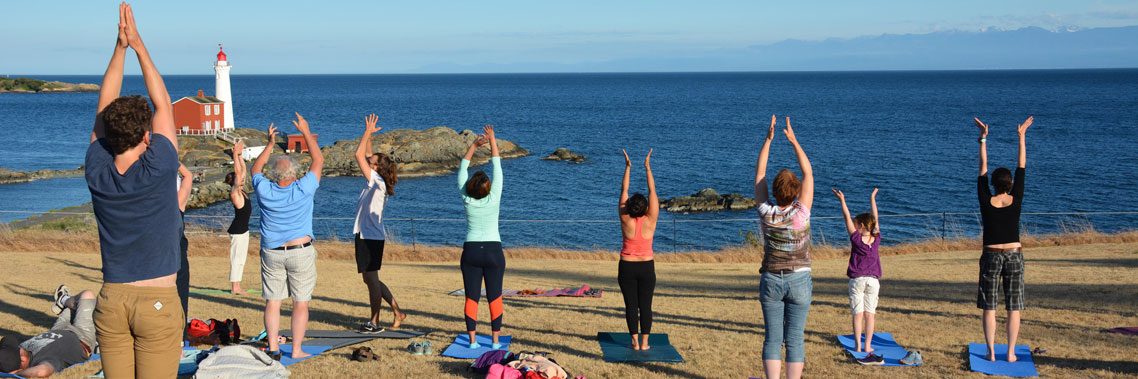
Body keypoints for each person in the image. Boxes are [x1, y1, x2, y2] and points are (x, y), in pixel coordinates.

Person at [85, 4, 185, 378]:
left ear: (108, 136)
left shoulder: (98, 170)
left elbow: (103, 106)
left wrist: (119, 49)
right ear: (147, 136)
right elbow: (163, 104)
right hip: (156, 301)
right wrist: (138, 46)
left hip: (110, 300)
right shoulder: (159, 166)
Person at [251, 114, 323, 360]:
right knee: (300, 303)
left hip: (272, 251)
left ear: (275, 175)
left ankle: (272, 348)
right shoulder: (304, 188)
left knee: (273, 301)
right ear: (295, 173)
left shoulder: (264, 189)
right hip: (300, 250)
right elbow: (318, 159)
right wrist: (305, 130)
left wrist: (270, 145)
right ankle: (296, 349)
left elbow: (255, 169)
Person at [754, 115, 814, 379]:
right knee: (795, 340)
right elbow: (808, 172)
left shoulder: (766, 212)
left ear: (775, 192)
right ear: (797, 191)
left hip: (771, 280)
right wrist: (794, 141)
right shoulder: (802, 212)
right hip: (800, 278)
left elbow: (760, 174)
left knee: (772, 340)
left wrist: (768, 140)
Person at [974, 116, 1032, 362]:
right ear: (1009, 185)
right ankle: (1009, 353)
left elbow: (982, 169)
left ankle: (990, 353)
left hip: (991, 255)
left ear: (994, 185)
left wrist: (983, 138)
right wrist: (1022, 136)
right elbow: (1022, 167)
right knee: (1013, 306)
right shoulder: (1016, 198)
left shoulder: (986, 199)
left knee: (990, 306)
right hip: (1014, 254)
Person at [352, 114, 407, 333]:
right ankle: (398, 312)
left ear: (377, 169)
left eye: (371, 163)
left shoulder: (376, 180)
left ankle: (374, 322)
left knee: (372, 280)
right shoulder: (377, 178)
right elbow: (366, 154)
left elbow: (358, 155)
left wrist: (366, 133)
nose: (367, 163)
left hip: (371, 238)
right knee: (370, 279)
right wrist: (370, 135)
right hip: (366, 235)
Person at [458, 125, 505, 349]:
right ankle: (495, 342)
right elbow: (497, 165)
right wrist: (493, 140)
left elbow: (462, 168)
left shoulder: (466, 198)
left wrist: (474, 146)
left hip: (472, 251)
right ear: (487, 188)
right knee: (495, 296)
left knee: (472, 297)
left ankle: (473, 342)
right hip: (494, 251)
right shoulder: (494, 196)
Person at [0, 286, 97, 378]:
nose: (19, 346)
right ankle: (63, 300)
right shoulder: (44, 361)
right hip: (83, 336)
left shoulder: (19, 352)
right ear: (22, 360)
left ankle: (63, 301)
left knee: (79, 303)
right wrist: (17, 374)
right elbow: (42, 371)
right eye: (17, 349)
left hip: (58, 328)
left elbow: (7, 341)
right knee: (88, 296)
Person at [617, 149, 659, 350]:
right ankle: (644, 343)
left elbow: (623, 191)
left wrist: (628, 167)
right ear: (645, 208)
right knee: (646, 306)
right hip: (646, 267)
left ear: (630, 208)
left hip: (627, 267)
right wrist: (647, 168)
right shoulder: (651, 220)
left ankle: (634, 342)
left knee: (631, 306)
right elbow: (652, 192)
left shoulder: (625, 219)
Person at [833, 188, 882, 357]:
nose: (853, 225)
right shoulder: (876, 239)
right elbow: (875, 218)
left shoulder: (855, 239)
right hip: (873, 281)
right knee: (870, 315)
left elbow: (846, 216)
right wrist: (872, 198)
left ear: (860, 226)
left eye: (855, 224)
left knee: (857, 315)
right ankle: (867, 346)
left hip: (857, 280)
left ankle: (858, 347)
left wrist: (842, 200)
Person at [225, 140, 252, 295]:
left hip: (244, 230)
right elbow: (238, 172)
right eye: (239, 179)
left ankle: (238, 286)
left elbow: (243, 171)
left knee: (241, 259)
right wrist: (235, 155)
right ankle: (235, 288)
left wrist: (240, 156)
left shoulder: (242, 192)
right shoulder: (235, 193)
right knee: (236, 258)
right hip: (237, 231)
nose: (242, 179)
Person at [177, 163, 192, 319]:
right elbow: (187, 176)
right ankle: (180, 339)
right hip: (177, 257)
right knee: (180, 301)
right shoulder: (176, 204)